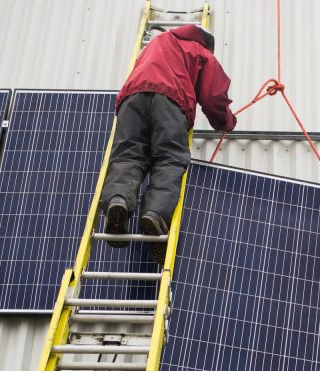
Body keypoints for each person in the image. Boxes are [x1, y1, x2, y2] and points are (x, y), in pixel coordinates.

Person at [101, 25, 237, 260]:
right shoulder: (200, 51)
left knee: (128, 155)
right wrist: (226, 121)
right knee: (169, 159)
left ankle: (118, 200)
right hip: (171, 101)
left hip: (132, 99)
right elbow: (213, 96)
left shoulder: (157, 42)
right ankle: (155, 214)